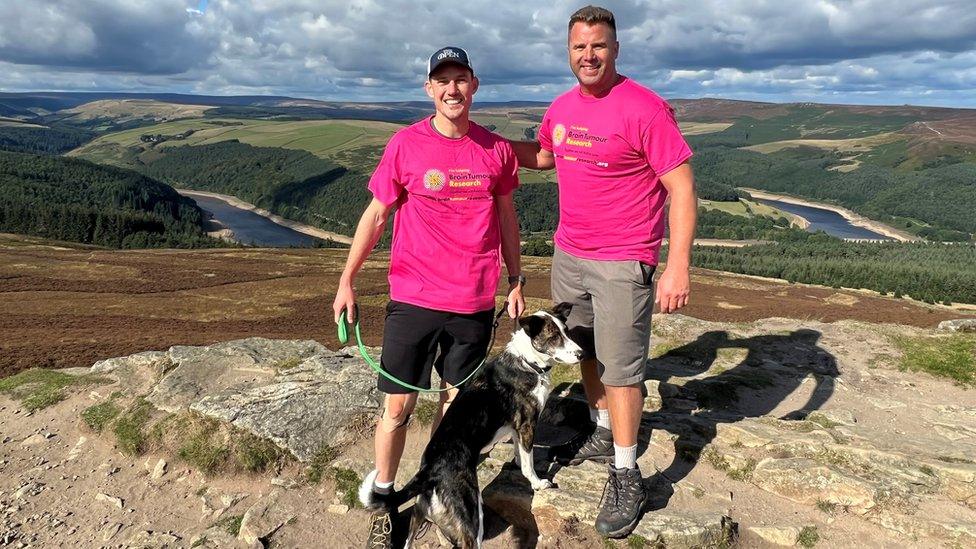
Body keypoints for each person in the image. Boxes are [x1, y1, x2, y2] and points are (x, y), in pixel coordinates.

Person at [511, 5, 697, 539]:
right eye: (579, 47)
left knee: (621, 369)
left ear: (615, 49)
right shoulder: (563, 107)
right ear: (567, 52)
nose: (588, 55)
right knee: (586, 349)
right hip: (570, 254)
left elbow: (681, 188)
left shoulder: (645, 108)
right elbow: (547, 156)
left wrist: (677, 265)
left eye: (598, 46)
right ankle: (599, 430)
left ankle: (625, 471)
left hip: (623, 261)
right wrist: (488, 145)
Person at [331, 46, 525, 548]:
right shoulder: (405, 145)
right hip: (414, 301)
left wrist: (516, 279)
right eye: (442, 81)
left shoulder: (496, 150)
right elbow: (376, 215)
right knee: (397, 408)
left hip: (474, 304)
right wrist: (346, 279)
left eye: (460, 79)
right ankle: (386, 496)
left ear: (474, 85)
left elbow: (506, 217)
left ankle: (431, 496)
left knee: (454, 409)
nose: (452, 89)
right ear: (429, 89)